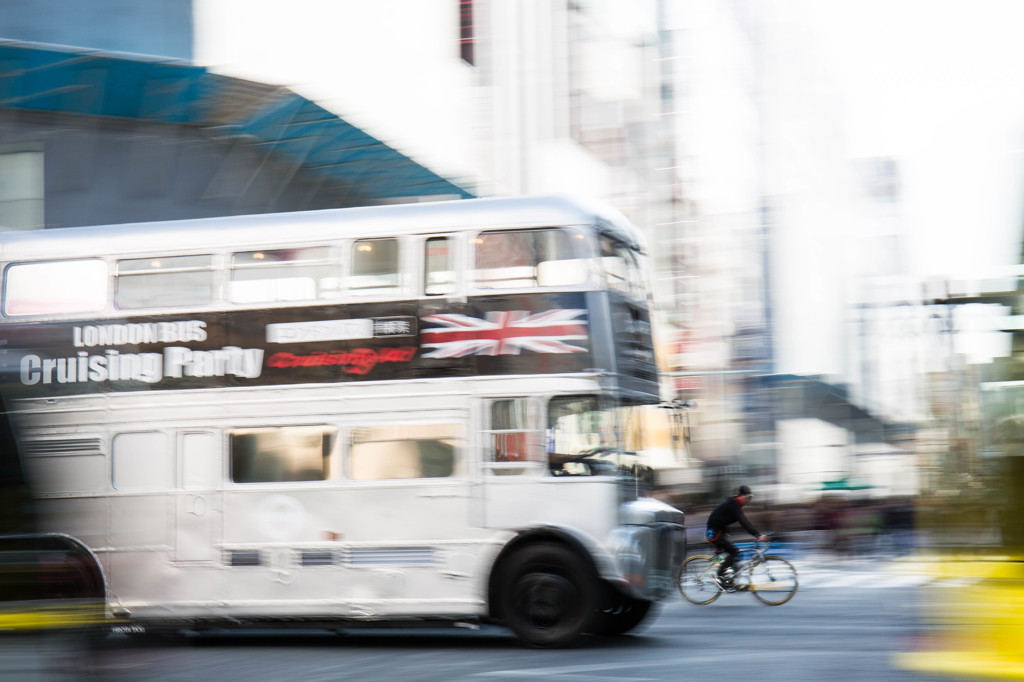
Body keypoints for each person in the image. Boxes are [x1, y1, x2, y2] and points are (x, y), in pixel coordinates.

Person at [705, 485, 769, 587]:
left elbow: (728, 521)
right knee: (734, 552)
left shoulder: (735, 504)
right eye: (749, 497)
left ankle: (731, 582)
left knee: (734, 553)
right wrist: (757, 535)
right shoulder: (734, 505)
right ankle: (720, 575)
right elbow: (744, 522)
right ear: (742, 497)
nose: (750, 500)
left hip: (720, 531)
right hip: (714, 532)